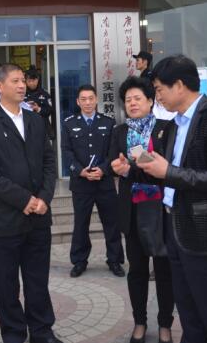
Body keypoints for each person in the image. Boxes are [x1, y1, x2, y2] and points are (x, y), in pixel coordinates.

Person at [137, 55, 207, 343]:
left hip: (204, 232)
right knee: (188, 311)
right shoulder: (174, 124)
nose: (157, 96)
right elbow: (169, 170)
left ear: (179, 85)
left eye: (159, 89)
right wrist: (138, 166)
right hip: (174, 227)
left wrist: (167, 171)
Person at [0, 64, 61, 343]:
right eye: (15, 81)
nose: (22, 85)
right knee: (7, 284)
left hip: (38, 217)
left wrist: (44, 198)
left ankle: (42, 331)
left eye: (23, 80)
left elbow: (49, 162)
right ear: (0, 86)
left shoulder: (36, 121)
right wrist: (24, 199)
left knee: (38, 280)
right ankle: (13, 334)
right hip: (5, 220)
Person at [109, 76, 174, 343]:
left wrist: (132, 167)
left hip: (160, 211)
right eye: (128, 100)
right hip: (132, 210)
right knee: (136, 270)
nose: (132, 103)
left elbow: (165, 165)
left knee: (164, 271)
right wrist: (116, 167)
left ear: (150, 101)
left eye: (138, 98)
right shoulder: (119, 132)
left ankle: (165, 324)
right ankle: (139, 322)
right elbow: (113, 160)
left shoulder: (165, 129)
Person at [61, 84, 124, 278]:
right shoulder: (69, 123)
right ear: (78, 102)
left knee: (111, 223)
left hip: (104, 183)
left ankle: (114, 260)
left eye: (91, 98)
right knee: (81, 224)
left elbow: (113, 151)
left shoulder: (108, 122)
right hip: (81, 184)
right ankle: (79, 261)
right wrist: (80, 171)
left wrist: (103, 169)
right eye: (83, 99)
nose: (87, 102)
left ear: (96, 100)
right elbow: (66, 152)